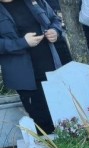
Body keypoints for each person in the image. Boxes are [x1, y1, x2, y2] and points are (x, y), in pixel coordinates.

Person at [0, 0, 71, 133]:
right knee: (43, 124)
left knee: (67, 118)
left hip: (54, 71)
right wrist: (22, 43)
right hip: (26, 79)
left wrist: (55, 31)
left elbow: (55, 19)